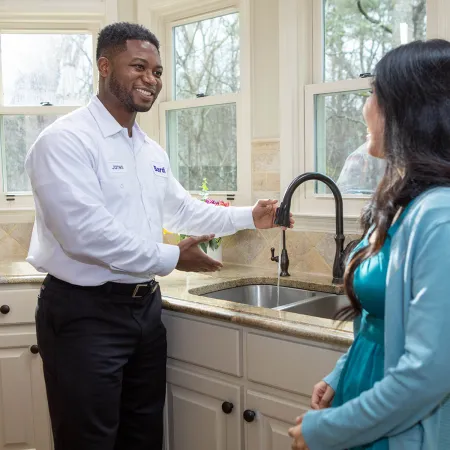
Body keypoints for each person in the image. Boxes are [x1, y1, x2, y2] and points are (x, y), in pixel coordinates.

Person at [25, 22, 292, 450]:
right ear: (104, 65)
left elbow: (181, 208)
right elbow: (85, 235)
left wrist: (250, 217)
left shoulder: (148, 150)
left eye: (158, 71)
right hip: (84, 315)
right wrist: (172, 257)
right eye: (139, 67)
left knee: (144, 436)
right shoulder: (64, 141)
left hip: (145, 313)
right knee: (88, 441)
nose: (152, 79)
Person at [289, 39, 450, 450]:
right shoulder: (407, 201)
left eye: (374, 94)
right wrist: (340, 375)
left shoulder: (440, 215)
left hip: (401, 431)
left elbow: (430, 372)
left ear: (408, 110)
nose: (365, 106)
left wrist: (326, 429)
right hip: (365, 406)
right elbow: (381, 328)